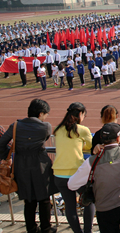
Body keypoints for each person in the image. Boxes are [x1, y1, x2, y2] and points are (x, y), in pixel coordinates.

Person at [68, 123, 120, 233]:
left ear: (101, 138)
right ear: (118, 138)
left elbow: (71, 184)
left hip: (105, 208)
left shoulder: (91, 162)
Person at [0, 99, 56, 233]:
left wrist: (7, 155)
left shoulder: (16, 125)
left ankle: (31, 228)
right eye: (46, 114)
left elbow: (2, 142)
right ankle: (46, 228)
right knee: (44, 199)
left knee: (28, 199)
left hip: (21, 165)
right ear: (41, 113)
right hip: (40, 165)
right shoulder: (45, 126)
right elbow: (45, 138)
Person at [52, 102, 94, 233]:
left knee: (70, 207)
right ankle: (88, 230)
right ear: (81, 114)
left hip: (59, 173)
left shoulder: (58, 129)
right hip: (77, 173)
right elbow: (89, 147)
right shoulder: (82, 130)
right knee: (89, 200)